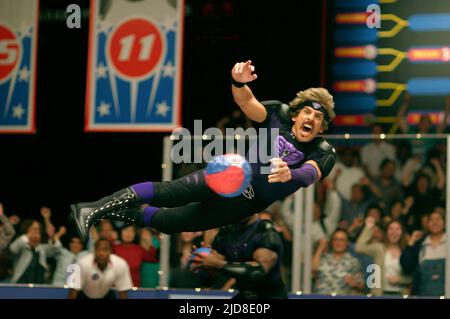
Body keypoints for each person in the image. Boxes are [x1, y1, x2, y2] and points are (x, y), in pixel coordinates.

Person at [71, 60, 337, 241]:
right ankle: (94, 207)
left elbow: (309, 174)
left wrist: (291, 174)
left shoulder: (322, 151)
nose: (311, 119)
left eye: (318, 118)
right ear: (295, 115)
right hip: (231, 173)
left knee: (171, 223)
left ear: (322, 128)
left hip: (247, 203)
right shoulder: (278, 114)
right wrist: (238, 82)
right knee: (170, 194)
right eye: (307, 112)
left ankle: (98, 211)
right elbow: (246, 102)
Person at [193, 213, 287, 299]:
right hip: (245, 296)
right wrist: (204, 263)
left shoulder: (264, 230)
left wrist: (219, 264)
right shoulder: (227, 232)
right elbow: (208, 281)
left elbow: (258, 272)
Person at [355, 217, 411, 296]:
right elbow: (359, 248)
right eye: (391, 229)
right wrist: (368, 227)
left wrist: (400, 279)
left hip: (401, 294)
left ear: (402, 232)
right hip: (380, 294)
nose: (394, 232)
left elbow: (413, 277)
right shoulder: (379, 248)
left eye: (398, 229)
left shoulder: (407, 251)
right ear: (386, 232)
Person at [400, 210, 447, 297]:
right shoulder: (420, 244)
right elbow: (406, 265)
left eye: (438, 219)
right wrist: (411, 242)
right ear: (427, 224)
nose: (435, 222)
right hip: (422, 294)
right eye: (432, 220)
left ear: (444, 223)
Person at [68, 238, 132, 299]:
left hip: (106, 295)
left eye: (105, 250)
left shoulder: (121, 264)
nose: (101, 253)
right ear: (94, 251)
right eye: (98, 250)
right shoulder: (80, 264)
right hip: (84, 295)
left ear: (110, 251)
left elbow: (123, 292)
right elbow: (72, 292)